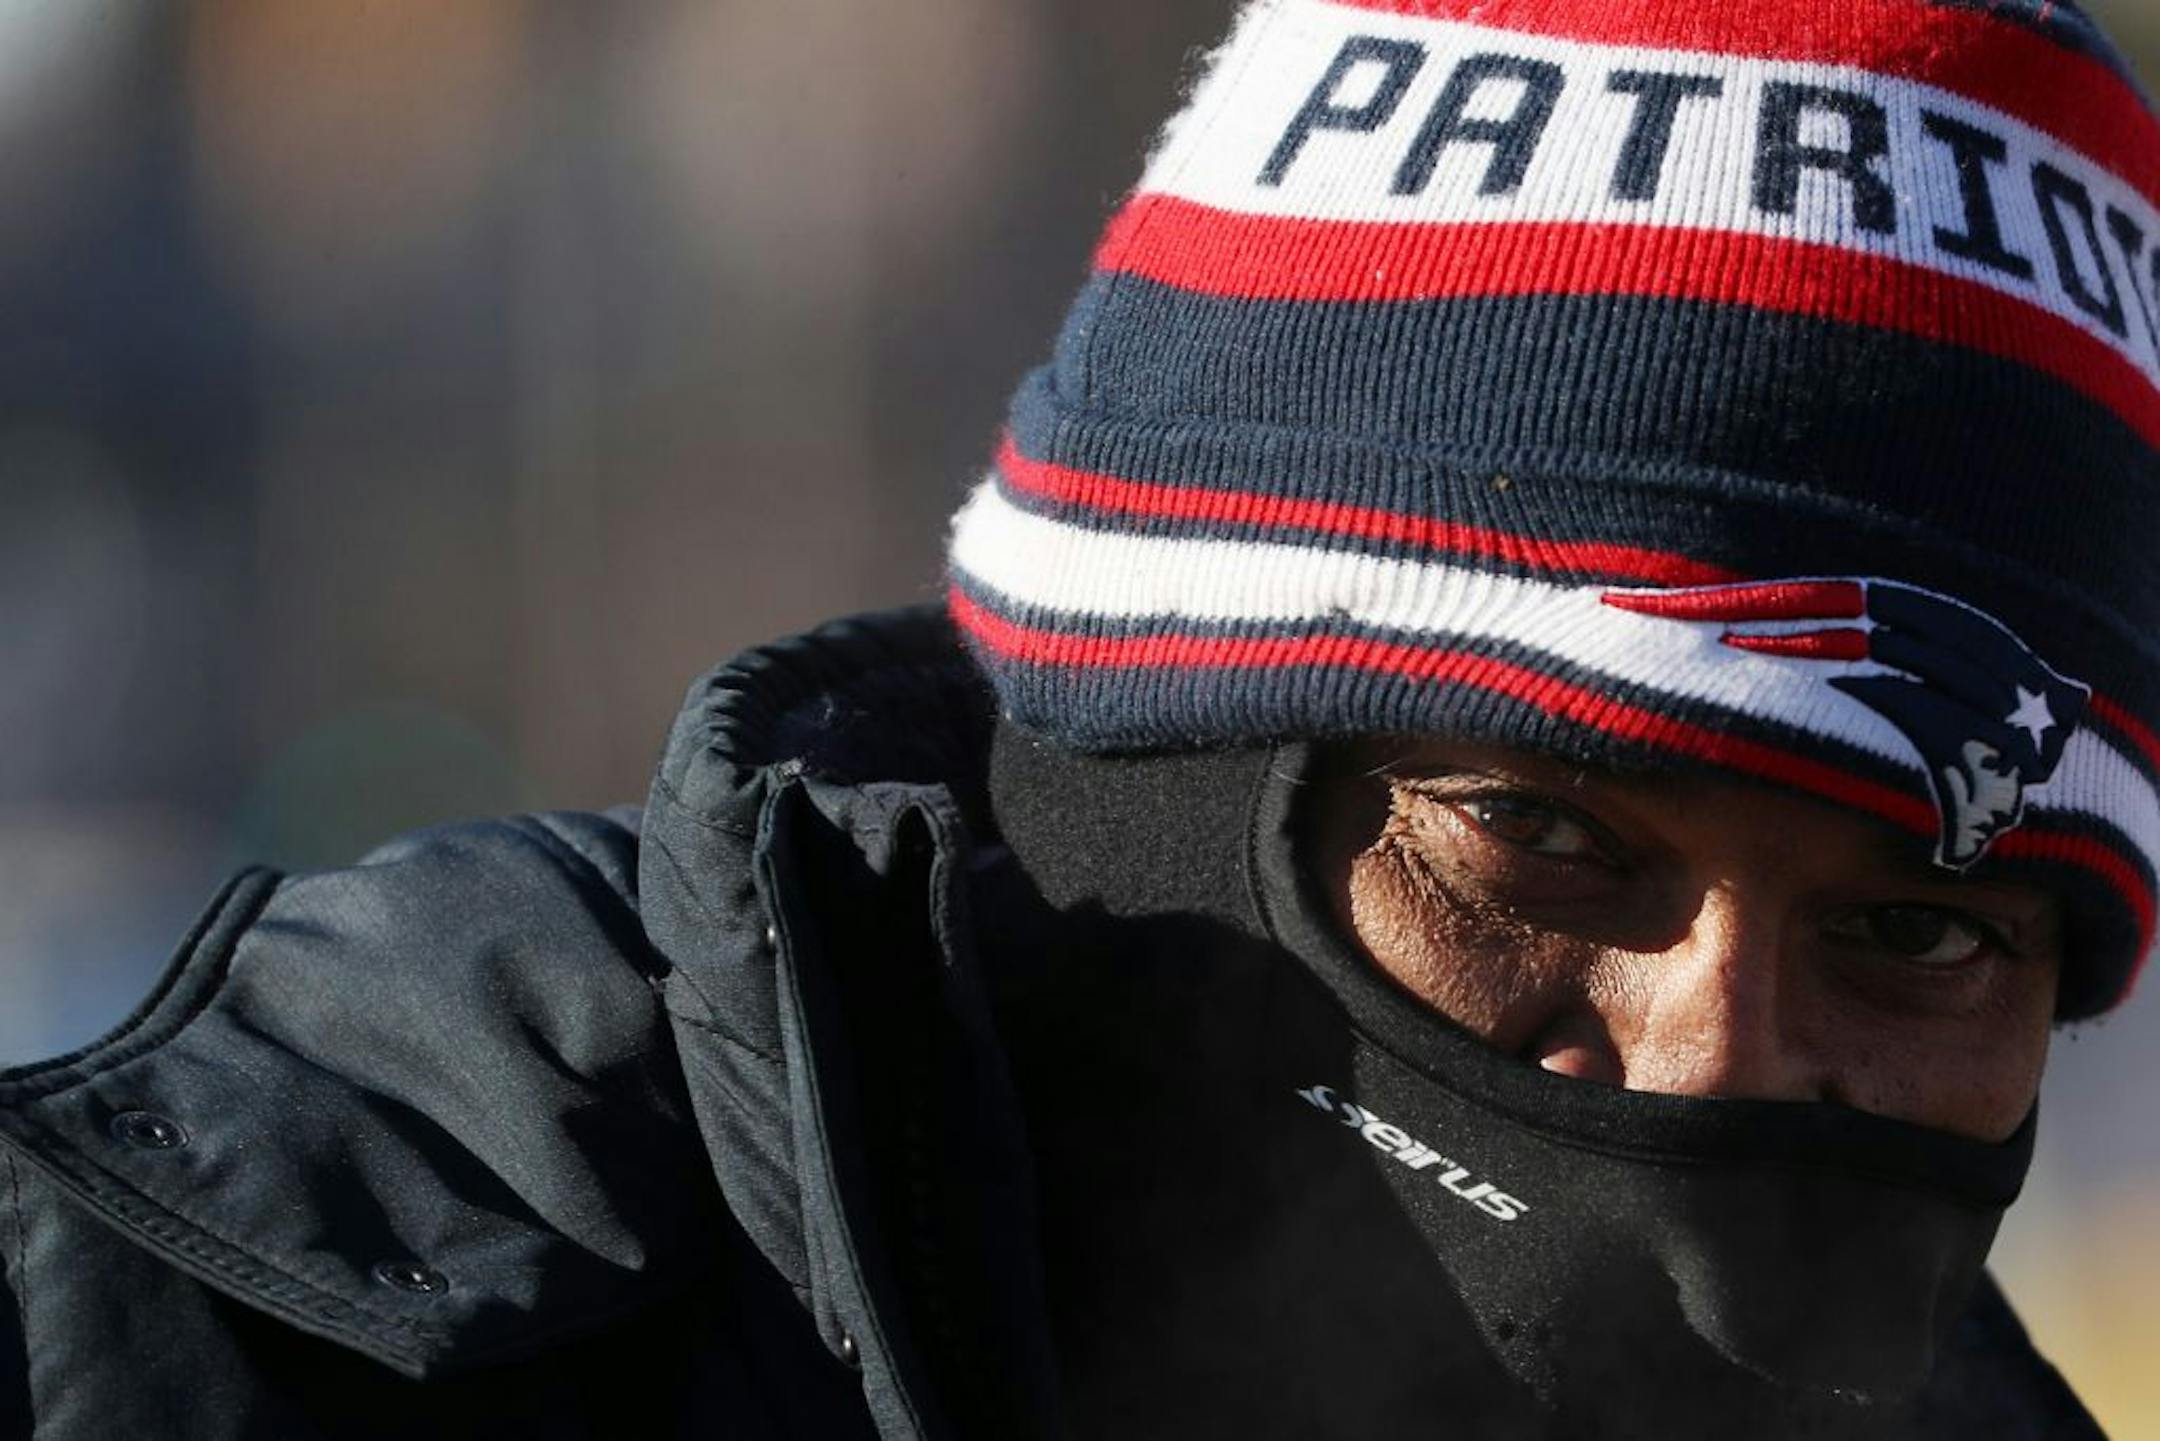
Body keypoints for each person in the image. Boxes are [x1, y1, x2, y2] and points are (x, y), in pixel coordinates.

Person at [0, 0, 2150, 1435]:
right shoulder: (233, 1320)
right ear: (1152, 778)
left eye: (1924, 930)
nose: (1716, 1061)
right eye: (1540, 834)